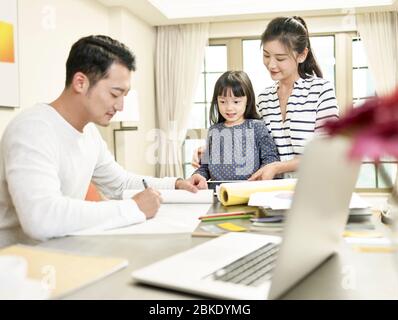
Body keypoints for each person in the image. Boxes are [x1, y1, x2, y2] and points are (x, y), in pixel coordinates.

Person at [0, 35, 207, 241]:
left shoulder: (89, 133)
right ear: (80, 82)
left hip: (59, 253)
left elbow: (120, 184)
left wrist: (176, 184)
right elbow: (41, 218)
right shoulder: (33, 130)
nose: (120, 106)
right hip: (18, 265)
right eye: (115, 94)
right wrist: (133, 208)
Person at [192, 16, 339, 180]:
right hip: (271, 194)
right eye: (266, 55)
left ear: (302, 55)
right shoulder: (264, 99)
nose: (271, 64)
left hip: (314, 188)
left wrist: (277, 167)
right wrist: (209, 150)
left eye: (280, 58)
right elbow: (242, 134)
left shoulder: (320, 91)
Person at [191, 71, 279, 182]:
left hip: (251, 189)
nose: (229, 108)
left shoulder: (257, 127)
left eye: (236, 102)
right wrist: (198, 175)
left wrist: (260, 178)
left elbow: (270, 158)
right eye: (223, 101)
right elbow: (205, 167)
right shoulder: (214, 130)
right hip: (219, 191)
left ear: (247, 100)